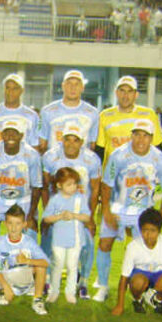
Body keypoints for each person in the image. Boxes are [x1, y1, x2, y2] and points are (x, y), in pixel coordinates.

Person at [95, 119, 162, 302]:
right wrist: (106, 211)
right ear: (131, 135)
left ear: (152, 138)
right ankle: (103, 286)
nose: (140, 139)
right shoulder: (118, 155)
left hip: (143, 213)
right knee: (105, 244)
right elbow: (106, 184)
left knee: (145, 252)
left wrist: (159, 217)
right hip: (118, 208)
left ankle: (142, 289)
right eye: (137, 134)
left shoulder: (159, 159)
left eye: (145, 135)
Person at [41, 123, 101, 299]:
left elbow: (95, 189)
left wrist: (90, 218)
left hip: (80, 210)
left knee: (87, 246)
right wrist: (47, 214)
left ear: (82, 141)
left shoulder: (92, 159)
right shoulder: (50, 157)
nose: (71, 144)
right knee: (49, 245)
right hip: (57, 211)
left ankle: (82, 282)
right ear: (62, 140)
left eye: (76, 140)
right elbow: (45, 187)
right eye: (67, 139)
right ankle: (46, 280)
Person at [111, 208, 162, 316]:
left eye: (152, 230)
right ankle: (138, 300)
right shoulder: (133, 247)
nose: (148, 235)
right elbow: (124, 277)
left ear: (159, 231)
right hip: (141, 274)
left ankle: (157, 300)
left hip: (161, 273)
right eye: (144, 230)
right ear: (140, 230)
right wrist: (119, 305)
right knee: (138, 282)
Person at [0, 120, 43, 234]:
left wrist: (31, 216)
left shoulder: (32, 154)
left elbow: (37, 186)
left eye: (15, 133)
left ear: (21, 136)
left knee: (30, 231)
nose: (10, 136)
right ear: (1, 135)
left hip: (23, 199)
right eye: (7, 132)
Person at [0, 205, 49, 315]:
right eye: (10, 223)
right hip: (6, 275)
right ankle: (4, 292)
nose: (14, 228)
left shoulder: (28, 242)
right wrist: (5, 286)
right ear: (5, 223)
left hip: (24, 273)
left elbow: (45, 262)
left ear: (24, 224)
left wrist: (27, 261)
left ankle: (37, 299)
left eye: (18, 223)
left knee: (40, 266)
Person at [42, 167, 92, 304]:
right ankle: (53, 291)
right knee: (57, 264)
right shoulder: (55, 200)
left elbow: (87, 217)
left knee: (72, 266)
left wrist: (74, 215)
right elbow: (46, 218)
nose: (73, 187)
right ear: (59, 185)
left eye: (75, 184)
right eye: (69, 184)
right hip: (58, 239)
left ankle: (70, 292)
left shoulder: (80, 198)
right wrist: (59, 216)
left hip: (76, 239)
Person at [96, 75, 162, 164]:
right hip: (113, 173)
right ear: (116, 93)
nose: (125, 96)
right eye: (122, 91)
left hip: (141, 172)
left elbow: (157, 147)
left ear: (136, 94)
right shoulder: (104, 115)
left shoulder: (149, 115)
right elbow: (100, 149)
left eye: (130, 91)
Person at [0, 74, 40, 165]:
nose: (10, 92)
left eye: (15, 88)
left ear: (21, 91)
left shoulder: (32, 116)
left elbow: (35, 147)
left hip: (21, 171)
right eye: (8, 88)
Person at [38, 69, 99, 152]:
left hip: (81, 163)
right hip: (55, 162)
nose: (73, 87)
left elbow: (92, 145)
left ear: (82, 88)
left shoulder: (93, 113)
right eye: (69, 83)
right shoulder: (47, 111)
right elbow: (42, 143)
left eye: (77, 84)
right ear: (63, 86)